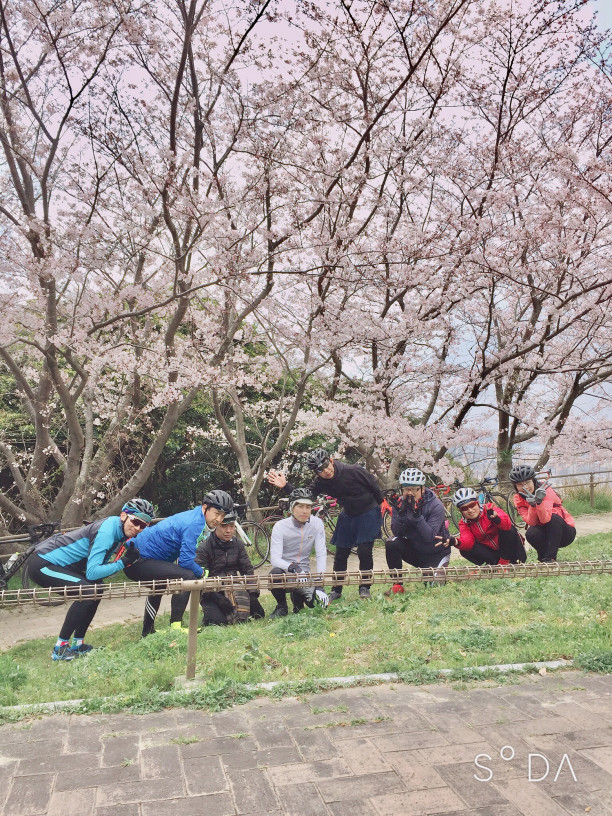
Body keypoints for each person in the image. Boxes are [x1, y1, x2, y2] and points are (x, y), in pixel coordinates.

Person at [27, 499, 154, 661]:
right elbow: (93, 572)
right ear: (123, 516)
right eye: (136, 521)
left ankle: (78, 644)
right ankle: (60, 648)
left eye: (143, 526)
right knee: (87, 591)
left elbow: (95, 574)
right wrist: (123, 562)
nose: (137, 528)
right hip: (43, 563)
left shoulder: (119, 531)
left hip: (64, 565)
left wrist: (121, 561)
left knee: (97, 588)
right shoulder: (107, 532)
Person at [268, 449, 383, 601]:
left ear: (331, 460)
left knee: (364, 550)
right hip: (348, 513)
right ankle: (337, 589)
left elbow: (373, 484)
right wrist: (285, 486)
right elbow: (305, 495)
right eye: (320, 470)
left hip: (367, 510)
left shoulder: (353, 470)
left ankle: (364, 587)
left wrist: (382, 503)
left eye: (326, 465)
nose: (326, 471)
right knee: (341, 553)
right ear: (316, 473)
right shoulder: (321, 482)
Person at [124, 490, 233, 636]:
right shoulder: (195, 523)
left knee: (159, 585)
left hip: (142, 559)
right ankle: (176, 626)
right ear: (205, 507)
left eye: (222, 515)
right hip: (137, 560)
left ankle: (147, 631)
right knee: (188, 576)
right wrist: (201, 572)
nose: (219, 519)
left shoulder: (196, 516)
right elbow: (186, 561)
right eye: (216, 513)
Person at [385, 468, 451, 595]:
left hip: (436, 552)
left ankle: (433, 572)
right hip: (416, 551)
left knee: (434, 589)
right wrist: (401, 513)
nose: (410, 492)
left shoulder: (435, 505)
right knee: (391, 542)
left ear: (423, 489)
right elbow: (397, 532)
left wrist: (416, 518)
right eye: (405, 489)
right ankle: (397, 585)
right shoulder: (400, 504)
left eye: (414, 489)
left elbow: (430, 537)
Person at [194, 509, 265, 625]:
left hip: (234, 586)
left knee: (258, 614)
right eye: (224, 526)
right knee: (219, 622)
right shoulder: (204, 547)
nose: (228, 530)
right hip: (212, 591)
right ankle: (210, 615)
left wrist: (252, 594)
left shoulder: (238, 544)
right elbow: (200, 578)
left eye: (232, 526)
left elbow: (247, 570)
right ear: (216, 526)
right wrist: (218, 598)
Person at [268, 487, 329, 617]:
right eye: (300, 506)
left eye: (308, 507)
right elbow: (275, 559)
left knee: (314, 604)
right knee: (275, 573)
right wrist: (293, 568)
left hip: (305, 573)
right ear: (292, 507)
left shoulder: (316, 523)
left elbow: (321, 553)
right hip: (285, 571)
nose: (305, 511)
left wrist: (319, 584)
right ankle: (281, 606)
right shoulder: (280, 526)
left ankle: (298, 602)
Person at [439, 488, 526, 566]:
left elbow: (507, 525)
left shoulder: (489, 509)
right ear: (460, 511)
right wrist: (455, 541)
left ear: (477, 503)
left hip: (513, 552)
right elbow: (468, 543)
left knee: (509, 530)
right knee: (464, 550)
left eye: (472, 505)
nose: (470, 510)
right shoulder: (464, 523)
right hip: (494, 555)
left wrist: (496, 519)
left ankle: (504, 563)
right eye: (464, 508)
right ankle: (494, 566)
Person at [509, 465, 575, 562]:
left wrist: (539, 502)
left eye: (527, 482)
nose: (525, 487)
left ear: (533, 481)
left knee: (554, 519)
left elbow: (546, 519)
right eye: (520, 484)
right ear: (515, 486)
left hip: (565, 533)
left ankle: (550, 557)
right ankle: (543, 557)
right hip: (545, 532)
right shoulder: (518, 498)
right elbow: (531, 522)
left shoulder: (546, 489)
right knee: (531, 533)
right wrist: (532, 505)